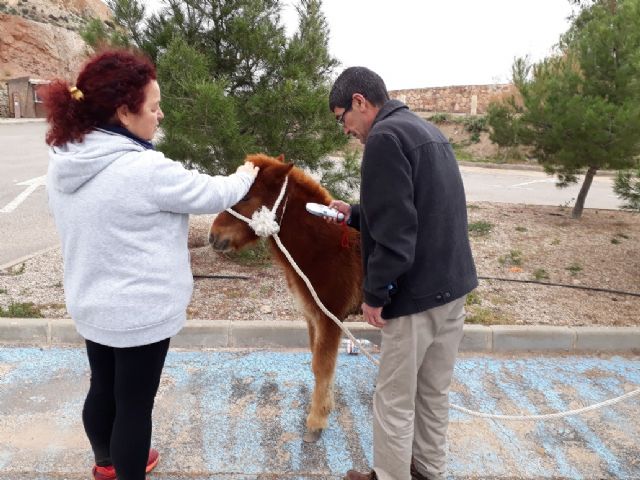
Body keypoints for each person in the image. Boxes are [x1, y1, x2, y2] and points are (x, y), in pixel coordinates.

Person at [41, 49, 259, 480]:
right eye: (154, 107)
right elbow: (214, 193)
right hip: (140, 314)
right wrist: (248, 172)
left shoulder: (67, 158)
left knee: (103, 389)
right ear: (124, 111)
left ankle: (105, 464)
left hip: (91, 304)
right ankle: (126, 469)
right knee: (135, 408)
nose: (160, 116)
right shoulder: (143, 168)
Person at [327, 67, 478, 480]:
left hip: (415, 298)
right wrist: (355, 214)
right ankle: (428, 471)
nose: (347, 131)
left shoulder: (383, 140)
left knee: (393, 398)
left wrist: (375, 295)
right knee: (433, 393)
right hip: (453, 287)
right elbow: (417, 208)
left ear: (360, 102)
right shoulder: (424, 130)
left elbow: (397, 234)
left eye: (343, 119)